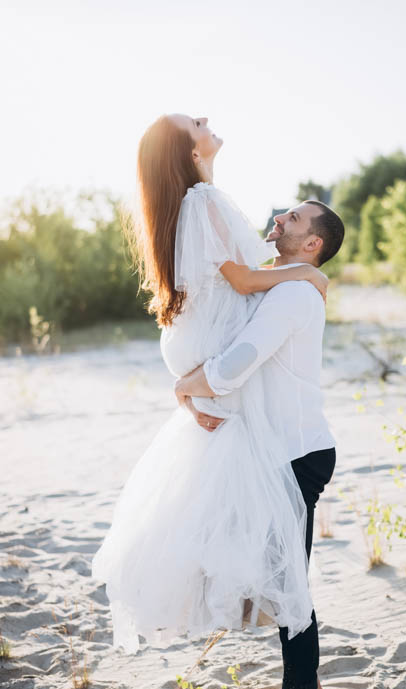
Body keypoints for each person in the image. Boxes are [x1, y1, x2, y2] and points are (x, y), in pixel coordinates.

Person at [91, 114, 330, 655]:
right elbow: (245, 282)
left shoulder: (194, 206)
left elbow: (239, 281)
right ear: (189, 150)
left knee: (225, 509)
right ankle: (297, 670)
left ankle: (291, 666)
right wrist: (306, 273)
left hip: (203, 357)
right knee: (254, 526)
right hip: (214, 363)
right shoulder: (204, 201)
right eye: (195, 122)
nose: (206, 120)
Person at [175, 199, 345, 689]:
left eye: (293, 218)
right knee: (281, 573)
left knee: (290, 578)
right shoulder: (287, 285)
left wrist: (185, 386)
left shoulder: (294, 297)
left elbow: (233, 368)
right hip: (274, 451)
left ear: (313, 244)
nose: (280, 218)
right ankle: (302, 686)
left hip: (297, 455)